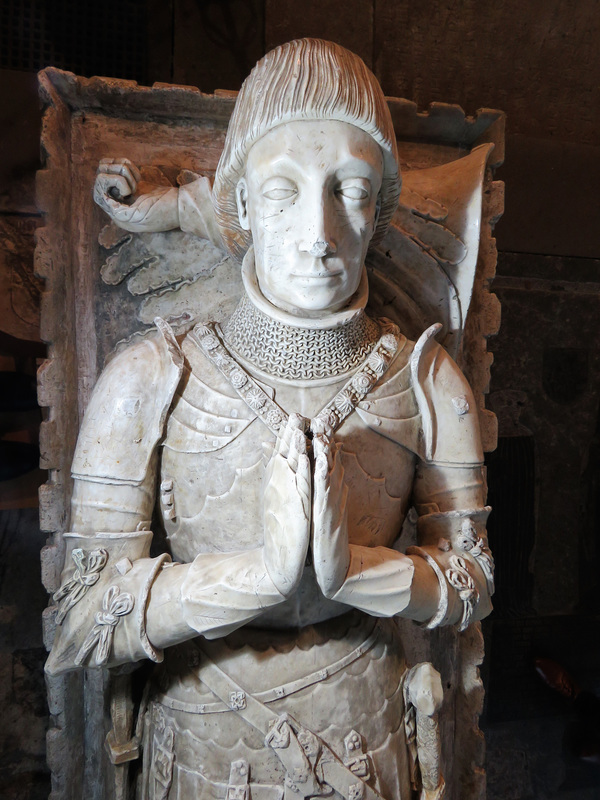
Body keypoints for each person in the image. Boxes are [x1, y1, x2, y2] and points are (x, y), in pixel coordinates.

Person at [47, 39, 493, 800]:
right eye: (283, 190)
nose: (317, 234)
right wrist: (255, 578)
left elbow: (472, 579)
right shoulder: (152, 377)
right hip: (202, 750)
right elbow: (82, 619)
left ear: (381, 211)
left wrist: (352, 571)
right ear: (243, 206)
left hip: (371, 743)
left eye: (349, 189)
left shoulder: (425, 382)